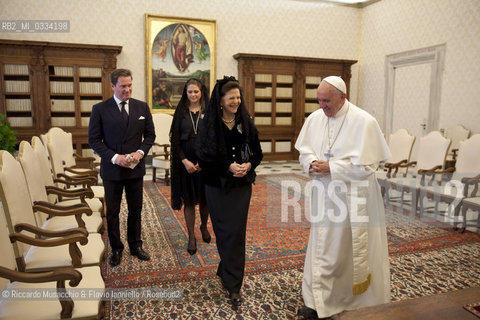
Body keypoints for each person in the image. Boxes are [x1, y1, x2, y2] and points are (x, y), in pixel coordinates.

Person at [294, 76, 391, 319]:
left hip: (353, 199)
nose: (322, 106)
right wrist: (311, 163)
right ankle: (317, 300)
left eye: (327, 101)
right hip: (324, 195)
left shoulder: (364, 121)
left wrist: (332, 168)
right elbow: (304, 151)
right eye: (319, 101)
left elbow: (369, 167)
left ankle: (348, 301)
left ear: (343, 97)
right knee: (321, 246)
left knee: (344, 250)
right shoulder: (316, 118)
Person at [196, 76, 263, 308]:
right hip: (216, 187)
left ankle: (234, 285)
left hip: (241, 189)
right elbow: (203, 156)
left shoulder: (247, 121)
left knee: (236, 234)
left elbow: (257, 154)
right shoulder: (209, 125)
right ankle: (226, 269)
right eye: (231, 98)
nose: (236, 101)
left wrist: (248, 165)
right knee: (224, 233)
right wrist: (227, 166)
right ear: (221, 100)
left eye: (238, 97)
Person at [88, 68, 156, 267]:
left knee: (136, 208)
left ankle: (135, 245)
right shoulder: (99, 109)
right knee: (113, 212)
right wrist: (115, 157)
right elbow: (94, 140)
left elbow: (150, 136)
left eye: (130, 85)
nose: (127, 89)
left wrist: (140, 153)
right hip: (112, 170)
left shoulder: (142, 107)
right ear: (112, 86)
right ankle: (117, 248)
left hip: (135, 168)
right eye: (123, 86)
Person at [170, 78, 211, 255]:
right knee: (188, 200)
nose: (193, 95)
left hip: (205, 161)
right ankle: (191, 237)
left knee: (204, 199)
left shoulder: (209, 112)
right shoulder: (180, 112)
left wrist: (203, 161)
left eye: (196, 91)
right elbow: (175, 141)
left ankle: (203, 227)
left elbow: (214, 139)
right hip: (185, 160)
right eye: (189, 92)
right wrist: (184, 161)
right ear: (185, 93)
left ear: (201, 92)